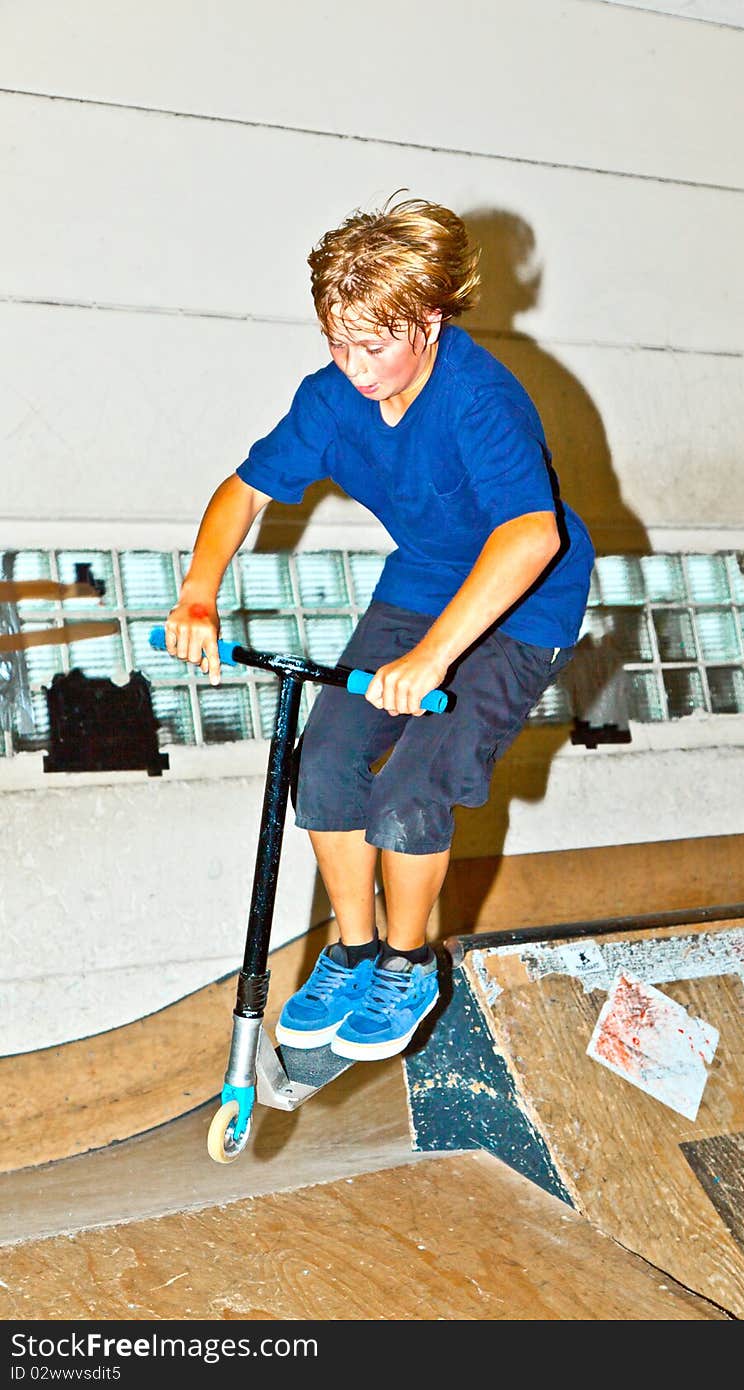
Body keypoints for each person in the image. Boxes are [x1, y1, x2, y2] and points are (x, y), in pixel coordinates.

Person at [164, 194, 594, 1062]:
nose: (354, 367)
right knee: (323, 762)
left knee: (411, 791)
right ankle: (354, 951)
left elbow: (531, 533)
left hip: (524, 600)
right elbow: (244, 489)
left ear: (429, 320)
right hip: (420, 587)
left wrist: (435, 658)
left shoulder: (480, 398)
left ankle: (407, 963)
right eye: (337, 341)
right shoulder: (329, 400)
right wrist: (200, 592)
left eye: (375, 345)